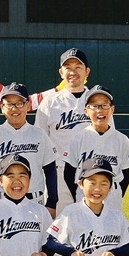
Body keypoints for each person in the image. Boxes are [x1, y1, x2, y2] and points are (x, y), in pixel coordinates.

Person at [0, 82, 58, 216]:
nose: (15, 108)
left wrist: (52, 203)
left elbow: (50, 170)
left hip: (34, 201)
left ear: (27, 105)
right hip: (1, 201)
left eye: (20, 103)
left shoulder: (39, 134)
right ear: (2, 107)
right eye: (10, 104)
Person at [46, 157, 129, 256]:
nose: (97, 189)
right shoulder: (70, 213)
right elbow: (52, 241)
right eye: (92, 183)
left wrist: (114, 254)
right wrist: (70, 252)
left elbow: (127, 247)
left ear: (110, 187)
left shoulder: (116, 215)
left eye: (103, 184)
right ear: (81, 184)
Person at [34, 48, 92, 214]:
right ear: (61, 72)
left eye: (78, 67)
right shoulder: (49, 103)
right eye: (68, 68)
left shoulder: (98, 100)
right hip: (58, 173)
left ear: (87, 71)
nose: (73, 72)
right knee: (59, 227)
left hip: (90, 172)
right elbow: (40, 142)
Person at [63, 85, 129, 209]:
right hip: (85, 196)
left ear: (112, 109)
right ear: (86, 111)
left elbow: (127, 173)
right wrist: (80, 192)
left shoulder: (122, 140)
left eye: (104, 105)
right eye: (94, 106)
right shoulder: (78, 139)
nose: (100, 110)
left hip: (112, 196)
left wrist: (115, 192)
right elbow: (68, 173)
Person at [0, 154, 53, 256]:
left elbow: (51, 241)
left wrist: (43, 254)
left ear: (30, 179)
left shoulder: (41, 211)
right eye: (10, 176)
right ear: (0, 181)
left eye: (22, 176)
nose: (17, 181)